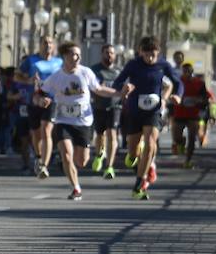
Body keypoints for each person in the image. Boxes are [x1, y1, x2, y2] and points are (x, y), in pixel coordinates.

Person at [34, 42, 121, 200]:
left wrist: (119, 93)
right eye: (74, 54)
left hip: (83, 122)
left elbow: (99, 89)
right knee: (66, 155)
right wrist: (41, 101)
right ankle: (75, 188)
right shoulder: (57, 77)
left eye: (79, 54)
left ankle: (73, 168)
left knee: (81, 161)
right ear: (65, 56)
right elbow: (39, 94)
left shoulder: (85, 72)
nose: (78, 57)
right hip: (62, 121)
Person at [113, 36, 183, 200]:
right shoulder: (133, 64)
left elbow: (178, 83)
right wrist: (124, 87)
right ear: (140, 52)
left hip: (154, 110)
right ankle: (139, 162)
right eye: (147, 54)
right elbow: (117, 82)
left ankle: (139, 183)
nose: (150, 57)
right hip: (135, 111)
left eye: (153, 54)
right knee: (132, 151)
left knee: (150, 144)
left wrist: (178, 96)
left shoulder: (163, 65)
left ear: (158, 52)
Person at [20, 36, 63, 178]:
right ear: (39, 45)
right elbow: (16, 76)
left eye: (50, 43)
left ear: (54, 46)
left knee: (46, 130)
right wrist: (29, 80)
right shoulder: (31, 60)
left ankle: (44, 165)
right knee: (36, 133)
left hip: (52, 100)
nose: (48, 45)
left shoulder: (59, 62)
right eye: (45, 42)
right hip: (34, 99)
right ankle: (38, 157)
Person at [89, 43, 123, 179]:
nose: (109, 55)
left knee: (112, 134)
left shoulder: (119, 71)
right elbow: (90, 87)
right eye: (107, 53)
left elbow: (124, 88)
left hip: (115, 107)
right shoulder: (95, 70)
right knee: (100, 135)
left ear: (115, 55)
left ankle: (109, 167)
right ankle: (99, 155)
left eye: (111, 53)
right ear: (102, 54)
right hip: (98, 107)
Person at [171, 62, 211, 168]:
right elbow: (171, 96)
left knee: (192, 138)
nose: (187, 73)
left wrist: (197, 100)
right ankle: (181, 142)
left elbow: (205, 98)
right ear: (182, 72)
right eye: (184, 71)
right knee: (176, 137)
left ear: (192, 71)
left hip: (193, 114)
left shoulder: (199, 83)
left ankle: (188, 160)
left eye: (189, 71)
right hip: (179, 113)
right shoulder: (177, 82)